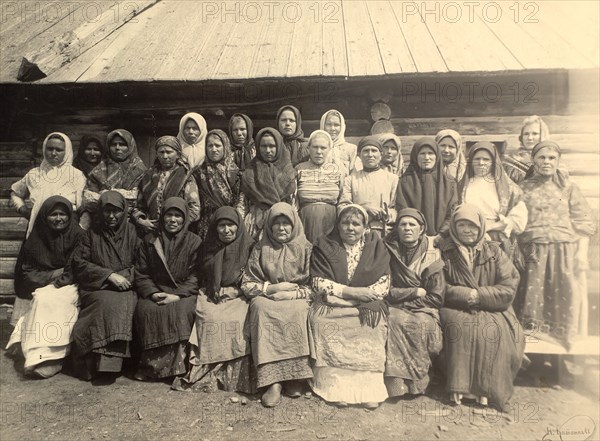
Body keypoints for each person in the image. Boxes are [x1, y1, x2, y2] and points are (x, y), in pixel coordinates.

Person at [440, 204, 524, 411]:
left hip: (494, 307)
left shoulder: (495, 251)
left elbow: (508, 286)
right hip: (456, 306)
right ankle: (460, 389)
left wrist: (480, 295)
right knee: (463, 329)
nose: (467, 230)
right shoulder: (445, 251)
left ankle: (486, 392)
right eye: (462, 225)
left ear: (481, 228)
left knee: (498, 333)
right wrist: (465, 294)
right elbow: (438, 286)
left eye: (473, 226)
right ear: (454, 227)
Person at [309, 204, 391, 409]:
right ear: (338, 225)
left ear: (365, 227)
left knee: (373, 325)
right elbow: (317, 281)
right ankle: (336, 389)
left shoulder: (376, 246)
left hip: (364, 304)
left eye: (356, 224)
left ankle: (368, 390)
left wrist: (355, 300)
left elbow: (384, 283)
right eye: (345, 223)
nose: (350, 228)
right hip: (334, 303)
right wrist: (350, 293)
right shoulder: (325, 244)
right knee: (321, 321)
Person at [516, 141, 596, 350]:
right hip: (532, 252)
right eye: (542, 157)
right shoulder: (522, 188)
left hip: (563, 251)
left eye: (551, 158)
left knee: (565, 296)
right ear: (533, 160)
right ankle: (531, 353)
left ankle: (562, 351)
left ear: (558, 161)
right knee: (531, 299)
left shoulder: (569, 187)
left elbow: (585, 221)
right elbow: (515, 220)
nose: (546, 162)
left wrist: (581, 253)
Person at [173, 206, 256, 393]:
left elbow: (255, 276)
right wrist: (213, 288)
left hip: (240, 294)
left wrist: (237, 291)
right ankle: (208, 372)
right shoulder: (207, 247)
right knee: (209, 319)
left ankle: (235, 377)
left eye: (231, 225)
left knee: (238, 320)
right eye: (222, 226)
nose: (226, 230)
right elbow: (199, 275)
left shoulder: (249, 246)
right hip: (212, 294)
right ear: (214, 228)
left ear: (239, 226)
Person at [241, 202, 313, 407]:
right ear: (269, 226)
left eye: (286, 223)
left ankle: (294, 377)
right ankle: (273, 382)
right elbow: (247, 283)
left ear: (295, 225)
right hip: (268, 297)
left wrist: (292, 295)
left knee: (299, 311)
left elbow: (314, 286)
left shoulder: (306, 249)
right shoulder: (260, 247)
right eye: (277, 223)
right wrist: (271, 289)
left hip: (295, 298)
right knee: (260, 309)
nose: (281, 228)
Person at [6, 196, 85, 378]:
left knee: (49, 299)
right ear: (44, 217)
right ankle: (37, 355)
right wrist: (52, 275)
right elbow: (27, 273)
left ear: (69, 216)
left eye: (63, 214)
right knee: (42, 297)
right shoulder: (36, 238)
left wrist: (57, 278)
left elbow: (77, 266)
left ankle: (50, 358)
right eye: (53, 214)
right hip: (44, 285)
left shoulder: (78, 235)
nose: (59, 218)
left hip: (72, 284)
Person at [70, 191, 141, 380]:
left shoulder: (133, 232)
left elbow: (143, 263)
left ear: (124, 211)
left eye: (116, 211)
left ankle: (111, 365)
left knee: (121, 303)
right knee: (102, 304)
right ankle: (91, 362)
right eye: (106, 211)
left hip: (126, 286)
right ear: (100, 212)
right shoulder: (91, 234)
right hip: (97, 287)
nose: (111, 216)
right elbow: (80, 263)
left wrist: (124, 277)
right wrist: (108, 275)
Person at [133, 197, 202, 380]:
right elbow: (141, 272)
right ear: (162, 217)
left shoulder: (195, 242)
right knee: (145, 310)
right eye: (169, 215)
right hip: (157, 291)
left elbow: (197, 275)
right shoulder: (149, 240)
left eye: (178, 216)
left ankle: (178, 368)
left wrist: (177, 295)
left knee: (183, 310)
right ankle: (152, 369)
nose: (173, 220)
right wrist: (153, 293)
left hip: (182, 293)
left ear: (185, 218)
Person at [383, 208, 445, 397]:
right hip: (395, 306)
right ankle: (397, 384)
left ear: (421, 229)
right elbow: (386, 289)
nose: (407, 229)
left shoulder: (432, 254)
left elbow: (436, 297)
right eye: (403, 224)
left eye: (412, 225)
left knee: (421, 325)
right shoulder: (388, 250)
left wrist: (406, 301)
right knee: (393, 321)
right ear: (397, 228)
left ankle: (418, 382)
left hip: (424, 309)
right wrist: (414, 292)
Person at [458, 142, 527, 265]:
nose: (481, 163)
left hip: (497, 240)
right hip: (467, 238)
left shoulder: (508, 188)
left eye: (486, 159)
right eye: (477, 159)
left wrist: (488, 228)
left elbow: (518, 220)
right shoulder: (462, 185)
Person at [11, 132, 86, 238]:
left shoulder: (77, 175)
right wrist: (23, 209)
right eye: (50, 149)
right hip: (39, 229)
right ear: (44, 149)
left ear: (67, 151)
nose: (54, 153)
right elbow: (15, 192)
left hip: (67, 230)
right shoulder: (34, 174)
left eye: (59, 150)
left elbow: (81, 207)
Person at [133, 136, 199, 234]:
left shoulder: (185, 176)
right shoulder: (149, 176)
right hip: (151, 230)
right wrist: (142, 221)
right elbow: (138, 205)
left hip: (177, 231)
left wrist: (175, 224)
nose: (165, 156)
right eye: (161, 152)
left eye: (169, 152)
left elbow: (194, 209)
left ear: (178, 154)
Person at [396, 137, 457, 240]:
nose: (427, 157)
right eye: (422, 153)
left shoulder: (449, 182)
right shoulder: (405, 182)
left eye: (431, 153)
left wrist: (441, 234)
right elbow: (403, 210)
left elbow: (453, 211)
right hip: (413, 239)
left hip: (444, 238)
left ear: (437, 156)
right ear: (415, 156)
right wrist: (418, 234)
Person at [241, 128, 297, 239]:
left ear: (279, 146)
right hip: (255, 223)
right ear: (257, 147)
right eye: (263, 146)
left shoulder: (289, 172)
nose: (268, 150)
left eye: (272, 146)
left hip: (282, 223)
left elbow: (294, 203)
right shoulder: (250, 171)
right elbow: (242, 203)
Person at [338, 136, 398, 236]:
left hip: (385, 231)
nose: (370, 155)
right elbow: (342, 208)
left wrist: (387, 214)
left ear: (381, 154)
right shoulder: (351, 179)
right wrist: (364, 208)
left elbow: (396, 208)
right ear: (359, 155)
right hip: (358, 232)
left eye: (374, 151)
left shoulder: (392, 179)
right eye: (366, 151)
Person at [295, 130, 345, 243]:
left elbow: (343, 198)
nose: (319, 151)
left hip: (331, 221)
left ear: (330, 150)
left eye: (323, 148)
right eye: (315, 147)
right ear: (308, 148)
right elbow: (294, 200)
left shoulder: (338, 171)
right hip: (305, 220)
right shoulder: (299, 169)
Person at [194, 129, 244, 239]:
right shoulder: (198, 173)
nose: (213, 149)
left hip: (229, 223)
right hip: (206, 224)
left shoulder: (235, 173)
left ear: (225, 146)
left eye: (218, 145)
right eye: (210, 146)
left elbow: (240, 200)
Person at [84, 129, 147, 215]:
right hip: (102, 215)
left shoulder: (140, 169)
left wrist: (104, 195)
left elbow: (140, 199)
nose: (117, 148)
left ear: (130, 146)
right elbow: (89, 198)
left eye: (122, 144)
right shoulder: (99, 169)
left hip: (132, 218)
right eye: (113, 144)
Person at [503, 115, 550, 184]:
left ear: (543, 136)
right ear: (521, 137)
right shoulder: (510, 162)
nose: (530, 138)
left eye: (535, 133)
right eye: (526, 134)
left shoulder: (552, 159)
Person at [320, 109, 358, 174]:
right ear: (323, 125)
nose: (332, 129)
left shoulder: (352, 149)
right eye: (328, 125)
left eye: (336, 125)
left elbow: (355, 175)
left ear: (342, 127)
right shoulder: (317, 148)